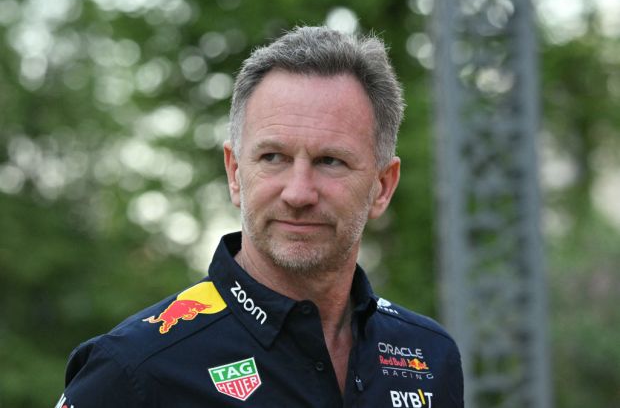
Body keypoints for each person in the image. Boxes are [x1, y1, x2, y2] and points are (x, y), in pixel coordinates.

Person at [57, 26, 463, 408]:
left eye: (330, 161)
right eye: (273, 157)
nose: (298, 193)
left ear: (382, 186)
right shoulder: (133, 369)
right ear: (235, 172)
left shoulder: (429, 356)